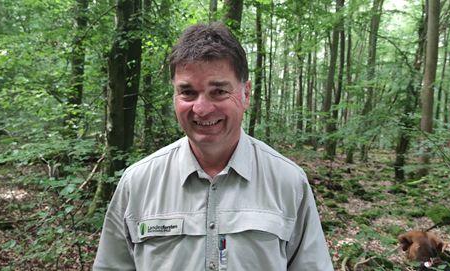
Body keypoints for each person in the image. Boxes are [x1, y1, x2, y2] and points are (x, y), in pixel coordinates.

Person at [93, 22, 333, 271]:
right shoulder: (139, 183)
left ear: (246, 94)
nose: (202, 108)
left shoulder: (288, 182)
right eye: (187, 92)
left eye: (218, 91)